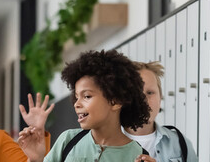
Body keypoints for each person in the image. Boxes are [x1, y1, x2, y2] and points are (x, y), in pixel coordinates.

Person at [18, 50, 151, 162]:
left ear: (115, 101)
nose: (77, 104)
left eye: (87, 96)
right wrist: (36, 159)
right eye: (76, 97)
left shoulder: (138, 156)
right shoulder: (68, 140)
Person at [123, 61, 198, 162]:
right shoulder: (104, 145)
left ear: (160, 97)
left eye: (150, 93)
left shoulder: (179, 143)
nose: (144, 99)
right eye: (136, 93)